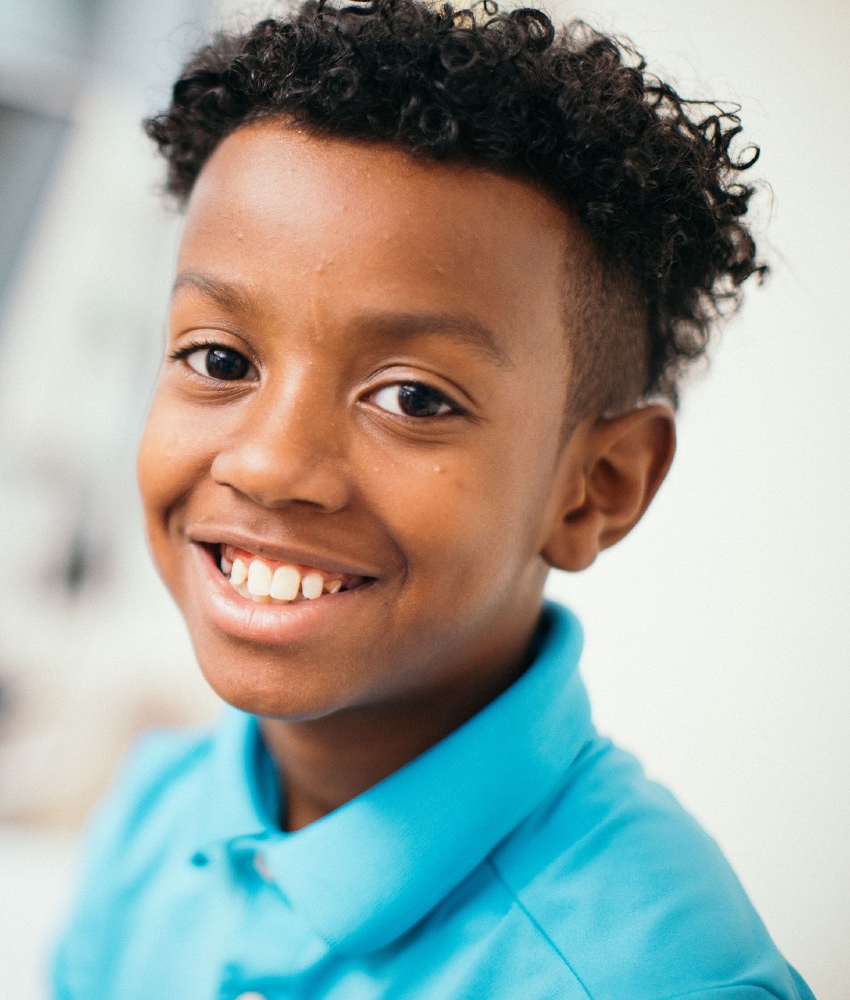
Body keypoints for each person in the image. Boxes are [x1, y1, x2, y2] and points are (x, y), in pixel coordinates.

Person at [51, 1, 816, 997]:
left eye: (414, 397)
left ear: (597, 488)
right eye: (220, 357)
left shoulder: (648, 976)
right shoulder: (158, 814)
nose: (272, 464)